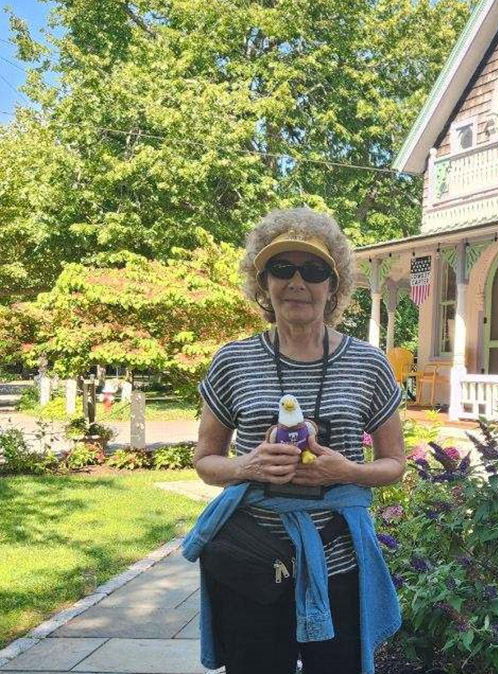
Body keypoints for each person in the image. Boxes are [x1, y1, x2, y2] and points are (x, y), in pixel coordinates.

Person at [182, 207, 405, 674]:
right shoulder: (233, 361)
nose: (297, 282)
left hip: (339, 560)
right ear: (262, 284)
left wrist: (345, 472)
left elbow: (393, 465)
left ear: (335, 285)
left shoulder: (369, 364)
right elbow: (205, 461)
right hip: (254, 558)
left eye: (315, 269)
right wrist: (249, 466)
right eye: (281, 268)